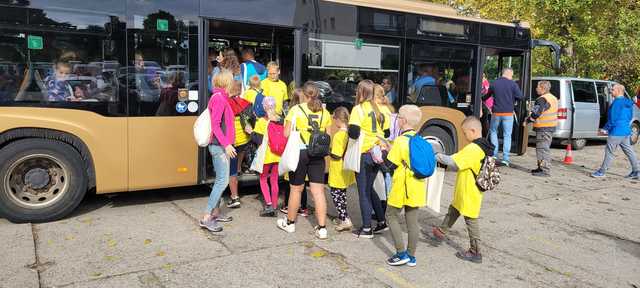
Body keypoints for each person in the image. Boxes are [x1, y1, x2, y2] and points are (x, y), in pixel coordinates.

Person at [431, 116, 494, 263]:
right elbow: (458, 157)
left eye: (465, 133)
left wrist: (436, 155)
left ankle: (475, 251)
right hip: (467, 188)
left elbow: (453, 161)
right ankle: (442, 230)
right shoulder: (483, 145)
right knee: (454, 208)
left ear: (473, 130)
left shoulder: (473, 149)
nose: (464, 136)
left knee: (470, 219)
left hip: (469, 190)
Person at [276, 82, 331, 239]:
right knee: (318, 191)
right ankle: (322, 228)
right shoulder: (325, 112)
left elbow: (286, 134)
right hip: (318, 154)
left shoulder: (295, 110)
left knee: (296, 189)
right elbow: (327, 136)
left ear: (304, 95)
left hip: (300, 152)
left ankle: (290, 223)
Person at [384, 105, 427, 267]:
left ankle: (400, 253)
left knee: (390, 215)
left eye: (399, 118)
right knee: (412, 221)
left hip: (403, 186)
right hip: (417, 185)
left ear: (404, 121)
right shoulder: (419, 138)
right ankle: (411, 255)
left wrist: (387, 149)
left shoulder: (401, 141)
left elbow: (389, 164)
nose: (397, 120)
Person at [349, 80, 390, 239]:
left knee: (363, 191)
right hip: (379, 152)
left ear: (360, 92)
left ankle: (367, 228)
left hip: (365, 153)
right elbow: (386, 133)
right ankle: (381, 221)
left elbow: (353, 133)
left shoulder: (358, 109)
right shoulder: (384, 109)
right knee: (370, 187)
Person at [199, 69, 237, 233]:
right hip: (220, 146)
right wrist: (227, 144)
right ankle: (207, 217)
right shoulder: (220, 99)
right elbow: (216, 125)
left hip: (220, 146)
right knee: (222, 181)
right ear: (227, 82)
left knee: (220, 180)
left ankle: (215, 212)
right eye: (233, 80)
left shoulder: (218, 97)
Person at [591, 84, 639, 179]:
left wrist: (605, 129)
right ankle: (636, 171)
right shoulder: (628, 102)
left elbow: (612, 118)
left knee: (609, 152)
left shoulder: (617, 103)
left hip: (616, 132)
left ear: (618, 91)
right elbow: (630, 116)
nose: (610, 91)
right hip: (625, 131)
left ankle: (602, 171)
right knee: (629, 152)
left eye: (612, 89)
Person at [484, 68, 524, 166]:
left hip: (496, 113)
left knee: (493, 132)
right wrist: (512, 100)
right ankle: (505, 158)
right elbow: (521, 97)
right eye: (512, 75)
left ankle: (494, 155)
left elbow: (486, 96)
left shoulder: (494, 83)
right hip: (508, 114)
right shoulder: (513, 84)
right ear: (509, 74)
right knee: (507, 135)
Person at [280, 88, 309, 216]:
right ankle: (303, 207)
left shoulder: (293, 111)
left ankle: (288, 206)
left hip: (294, 149)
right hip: (308, 150)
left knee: (291, 182)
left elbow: (286, 133)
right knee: (303, 182)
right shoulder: (310, 110)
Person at [251, 96, 282, 217]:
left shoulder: (261, 122)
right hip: (278, 155)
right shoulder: (281, 120)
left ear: (264, 107)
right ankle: (274, 205)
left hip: (266, 156)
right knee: (274, 180)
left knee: (263, 179)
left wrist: (251, 132)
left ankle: (268, 205)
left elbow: (257, 140)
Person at [328, 107, 356, 232]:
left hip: (338, 169)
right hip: (346, 169)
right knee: (342, 195)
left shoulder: (339, 135)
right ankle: (343, 217)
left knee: (336, 195)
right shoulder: (349, 134)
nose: (333, 120)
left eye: (334, 118)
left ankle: (345, 219)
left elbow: (336, 155)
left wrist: (328, 150)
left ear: (339, 119)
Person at [226, 81, 252, 208]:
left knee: (231, 172)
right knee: (240, 154)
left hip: (232, 140)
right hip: (244, 138)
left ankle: (234, 197)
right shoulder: (244, 102)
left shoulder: (226, 102)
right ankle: (240, 168)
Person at [527, 81, 558, 177]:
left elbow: (536, 113)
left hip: (543, 128)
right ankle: (540, 167)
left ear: (543, 88)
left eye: (537, 87)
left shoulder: (542, 99)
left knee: (542, 149)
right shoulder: (552, 98)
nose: (536, 89)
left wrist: (528, 119)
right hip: (550, 127)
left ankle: (544, 170)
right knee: (543, 148)